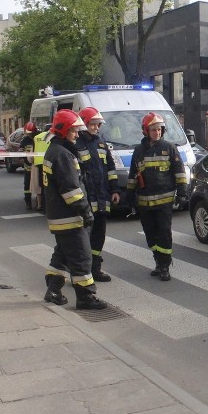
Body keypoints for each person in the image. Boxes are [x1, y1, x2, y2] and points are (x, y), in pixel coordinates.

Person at [41, 109, 107, 310]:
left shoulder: (54, 151)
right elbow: (71, 191)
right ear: (62, 131)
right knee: (82, 257)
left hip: (59, 217)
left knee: (62, 255)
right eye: (73, 131)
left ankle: (53, 290)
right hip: (70, 217)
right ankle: (86, 298)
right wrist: (86, 212)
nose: (77, 135)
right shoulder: (63, 155)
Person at [127, 112, 187, 281]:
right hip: (145, 202)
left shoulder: (169, 148)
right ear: (146, 131)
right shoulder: (138, 151)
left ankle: (165, 266)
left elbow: (179, 172)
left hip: (164, 202)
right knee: (150, 234)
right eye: (153, 129)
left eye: (159, 129)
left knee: (164, 234)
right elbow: (133, 175)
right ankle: (157, 261)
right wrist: (130, 195)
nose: (157, 132)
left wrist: (182, 193)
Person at [77, 107, 121, 282]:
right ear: (84, 124)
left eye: (98, 125)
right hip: (85, 201)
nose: (96, 128)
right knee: (82, 239)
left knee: (98, 238)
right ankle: (81, 272)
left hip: (101, 200)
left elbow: (110, 169)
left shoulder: (101, 143)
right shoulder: (76, 144)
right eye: (93, 124)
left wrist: (116, 190)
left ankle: (95, 269)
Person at [20, 122, 39, 210]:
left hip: (38, 166)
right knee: (27, 185)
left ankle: (40, 202)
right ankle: (28, 201)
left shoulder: (38, 138)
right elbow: (20, 151)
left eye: (31, 133)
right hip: (28, 167)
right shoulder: (25, 140)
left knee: (40, 184)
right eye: (28, 133)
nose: (29, 135)